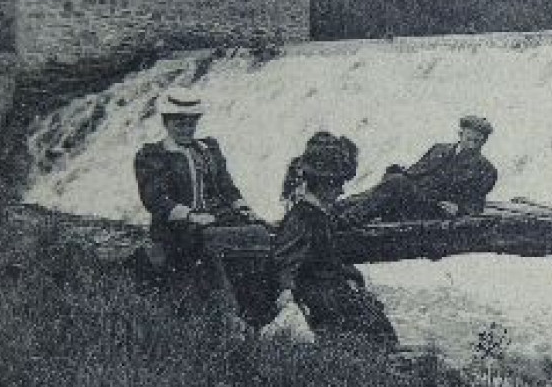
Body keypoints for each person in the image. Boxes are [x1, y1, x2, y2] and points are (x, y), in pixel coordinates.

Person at [267, 137, 399, 347]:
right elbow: (285, 257)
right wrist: (286, 291)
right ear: (323, 185)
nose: (341, 191)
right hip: (320, 295)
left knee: (376, 326)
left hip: (333, 289)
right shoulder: (302, 217)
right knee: (365, 334)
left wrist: (351, 278)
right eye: (337, 185)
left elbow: (332, 257)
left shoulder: (321, 214)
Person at [133, 92, 261, 271]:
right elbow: (155, 200)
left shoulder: (209, 148)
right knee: (214, 243)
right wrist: (191, 216)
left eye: (191, 124)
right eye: (179, 125)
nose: (186, 130)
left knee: (262, 231)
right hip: (177, 226)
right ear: (166, 123)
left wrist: (243, 208)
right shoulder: (153, 155)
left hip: (217, 216)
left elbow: (227, 187)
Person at [339, 115, 498, 225]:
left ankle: (347, 221)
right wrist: (400, 171)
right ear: (460, 134)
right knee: (391, 180)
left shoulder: (485, 170)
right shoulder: (439, 149)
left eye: (478, 141)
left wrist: (459, 209)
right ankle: (335, 211)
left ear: (484, 142)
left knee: (395, 184)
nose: (472, 145)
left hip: (434, 208)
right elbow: (416, 171)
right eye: (469, 139)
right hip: (412, 196)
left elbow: (476, 203)